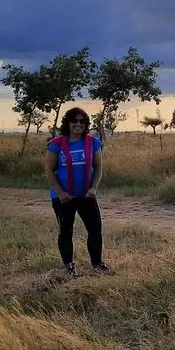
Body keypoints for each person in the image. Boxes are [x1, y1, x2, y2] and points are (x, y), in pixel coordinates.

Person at [43, 107, 111, 277]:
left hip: (86, 196)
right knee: (66, 231)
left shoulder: (92, 143)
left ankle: (97, 264)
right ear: (68, 123)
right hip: (63, 197)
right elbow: (49, 170)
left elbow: (98, 168)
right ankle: (68, 267)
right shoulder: (56, 144)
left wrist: (93, 188)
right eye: (74, 121)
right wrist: (60, 193)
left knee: (95, 229)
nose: (78, 124)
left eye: (82, 121)